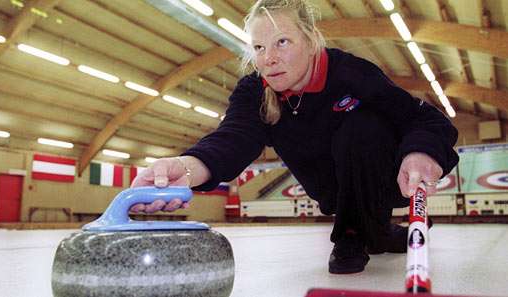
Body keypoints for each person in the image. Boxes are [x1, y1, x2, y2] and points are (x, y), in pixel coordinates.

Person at [130, 0, 459, 274]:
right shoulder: (254, 91)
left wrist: (421, 153)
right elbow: (233, 138)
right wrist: (185, 168)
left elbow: (423, 118)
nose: (268, 58)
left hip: (389, 181)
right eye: (259, 47)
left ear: (311, 38)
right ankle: (380, 232)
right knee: (353, 153)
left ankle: (355, 232)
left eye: (281, 42)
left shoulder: (351, 73)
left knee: (361, 124)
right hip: (331, 193)